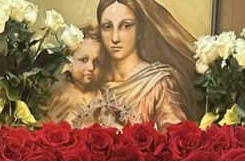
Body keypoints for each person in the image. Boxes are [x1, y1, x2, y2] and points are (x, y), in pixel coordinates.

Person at [95, 0, 198, 131]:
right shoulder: (91, 80)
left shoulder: (157, 84)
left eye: (126, 26)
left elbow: (173, 133)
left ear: (140, 30)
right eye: (107, 27)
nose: (115, 38)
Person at [46, 26, 104, 124]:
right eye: (84, 60)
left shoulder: (101, 95)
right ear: (70, 61)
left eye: (97, 62)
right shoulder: (61, 93)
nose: (91, 67)